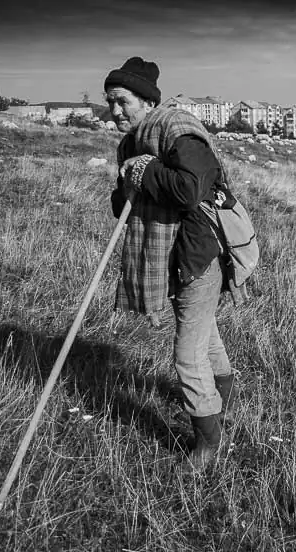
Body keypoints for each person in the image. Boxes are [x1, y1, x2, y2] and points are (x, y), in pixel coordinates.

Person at [104, 56, 236, 470]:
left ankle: (209, 444)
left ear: (145, 100)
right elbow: (120, 205)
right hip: (166, 257)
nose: (114, 112)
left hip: (196, 255)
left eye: (122, 101)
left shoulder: (178, 130)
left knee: (186, 356)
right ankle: (223, 400)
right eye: (109, 102)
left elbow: (190, 189)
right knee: (204, 333)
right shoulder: (130, 143)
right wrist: (130, 179)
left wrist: (146, 171)